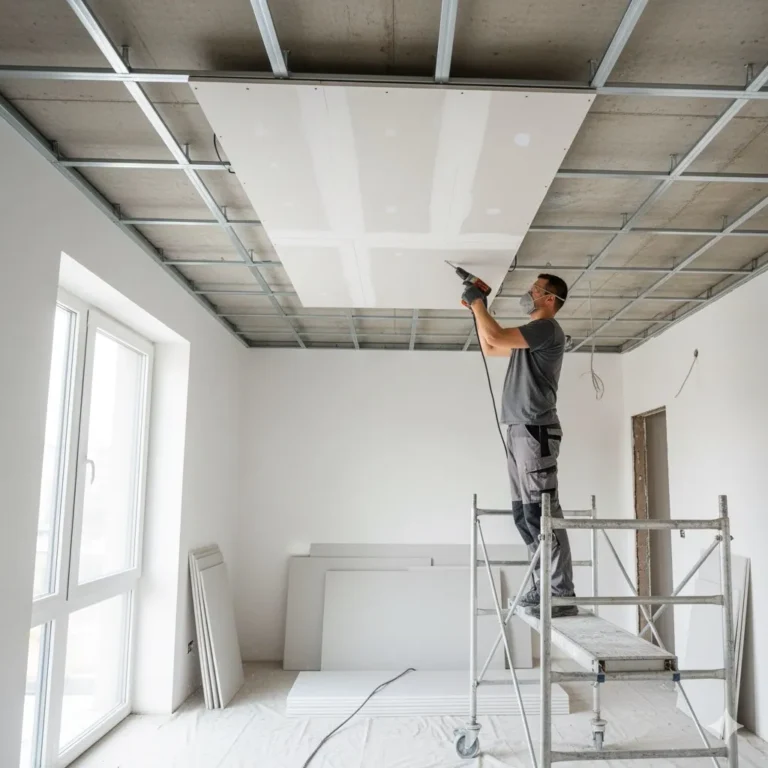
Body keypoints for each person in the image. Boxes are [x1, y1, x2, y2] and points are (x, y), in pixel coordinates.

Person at [461, 273, 577, 618]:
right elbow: (491, 346)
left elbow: (494, 334)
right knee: (524, 516)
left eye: (535, 290)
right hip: (518, 429)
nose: (529, 293)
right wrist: (475, 308)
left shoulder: (547, 329)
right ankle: (544, 587)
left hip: (535, 429)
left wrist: (478, 302)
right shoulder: (531, 337)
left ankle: (560, 594)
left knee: (543, 514)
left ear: (550, 299)